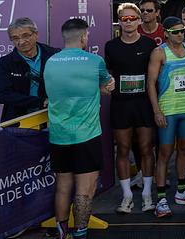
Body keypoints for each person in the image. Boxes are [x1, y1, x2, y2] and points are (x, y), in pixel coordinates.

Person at [44, 18, 114, 239]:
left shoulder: (51, 62)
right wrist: (107, 85)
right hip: (87, 134)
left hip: (59, 135)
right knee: (85, 188)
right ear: (84, 37)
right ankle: (81, 234)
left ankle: (62, 232)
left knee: (63, 186)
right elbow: (106, 86)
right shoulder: (95, 61)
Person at [147, 17, 185, 218]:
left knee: (184, 150)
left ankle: (181, 191)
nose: (180, 34)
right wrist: (157, 111)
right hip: (168, 110)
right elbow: (150, 83)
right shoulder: (159, 52)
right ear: (166, 33)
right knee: (164, 154)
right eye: (176, 32)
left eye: (182, 31)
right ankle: (161, 198)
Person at [105, 3, 158, 213]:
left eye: (132, 19)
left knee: (146, 148)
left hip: (143, 104)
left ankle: (146, 194)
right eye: (124, 19)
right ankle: (127, 195)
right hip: (120, 105)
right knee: (123, 149)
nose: (128, 22)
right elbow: (108, 73)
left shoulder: (148, 44)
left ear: (139, 21)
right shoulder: (111, 46)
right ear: (119, 21)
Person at [0, 17, 59, 122]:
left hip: (53, 117)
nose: (21, 42)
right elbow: (2, 95)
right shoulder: (4, 63)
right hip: (18, 122)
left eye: (25, 36)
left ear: (36, 34)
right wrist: (40, 101)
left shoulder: (55, 55)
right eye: (15, 38)